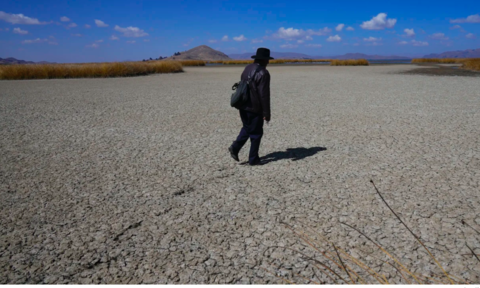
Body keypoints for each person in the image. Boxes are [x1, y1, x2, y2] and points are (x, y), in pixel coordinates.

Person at [228, 47, 272, 165]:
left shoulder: (248, 68)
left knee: (248, 127)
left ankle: (235, 147)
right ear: (264, 60)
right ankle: (253, 159)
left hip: (243, 104)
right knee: (256, 133)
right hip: (254, 108)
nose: (268, 62)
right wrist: (266, 113)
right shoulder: (263, 73)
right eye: (267, 60)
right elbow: (264, 95)